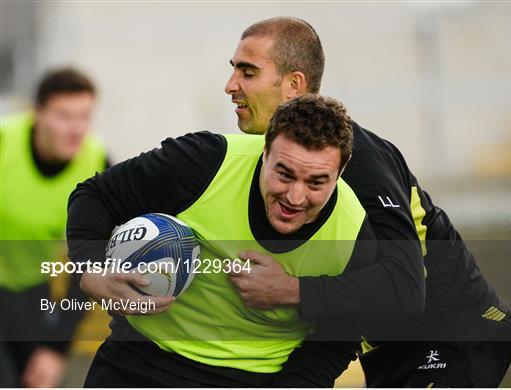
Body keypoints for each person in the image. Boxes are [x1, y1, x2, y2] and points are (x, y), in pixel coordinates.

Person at [223, 17, 511, 387]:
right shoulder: (271, 168)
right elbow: (343, 305)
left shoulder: (356, 157)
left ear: (293, 85)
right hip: (390, 351)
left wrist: (289, 291)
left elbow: (403, 283)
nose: (230, 86)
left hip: (451, 336)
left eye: (248, 72)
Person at [66, 94, 379, 387]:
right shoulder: (203, 162)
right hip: (138, 361)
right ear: (264, 150)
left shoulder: (354, 234)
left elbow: (337, 340)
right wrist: (91, 269)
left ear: (342, 170)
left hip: (254, 381)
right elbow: (95, 196)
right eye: (284, 174)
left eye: (316, 182)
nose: (295, 197)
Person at [0, 67, 108, 387]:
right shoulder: (5, 142)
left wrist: (55, 348)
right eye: (64, 116)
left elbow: (89, 266)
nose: (76, 129)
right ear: (38, 114)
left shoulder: (98, 165)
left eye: (84, 116)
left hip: (30, 291)